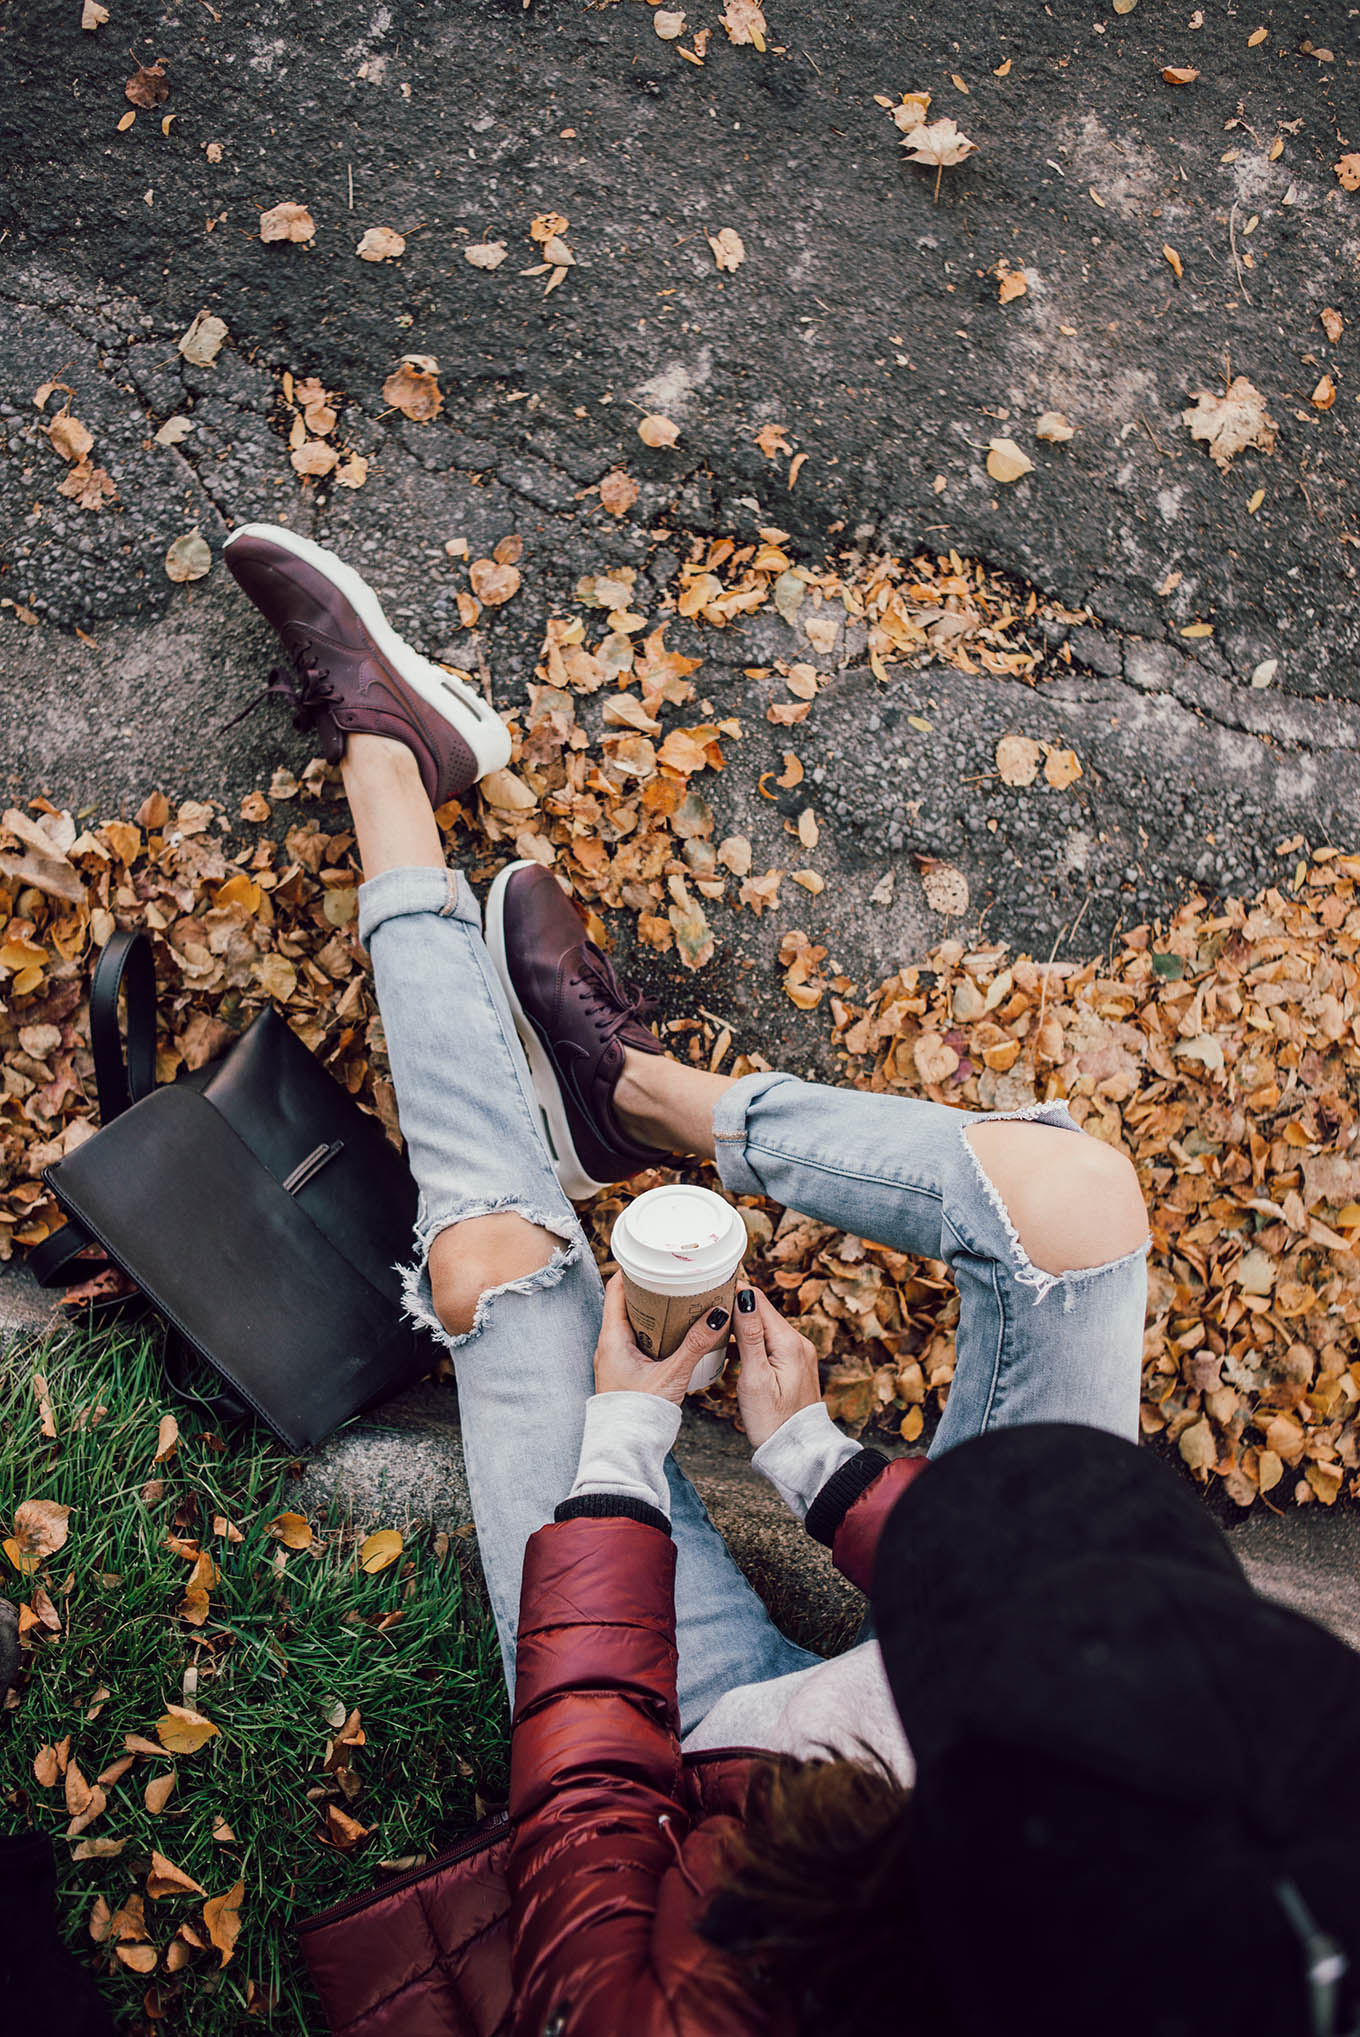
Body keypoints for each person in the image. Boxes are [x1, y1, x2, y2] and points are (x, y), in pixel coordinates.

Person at [225, 524, 1152, 2035]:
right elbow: (1076, 1628)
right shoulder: (1220, 1893)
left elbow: (585, 1795)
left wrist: (623, 1433)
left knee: (495, 1268)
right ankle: (643, 1096)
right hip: (957, 1671)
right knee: (1075, 1208)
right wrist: (807, 1455)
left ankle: (391, 761)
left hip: (696, 1746)